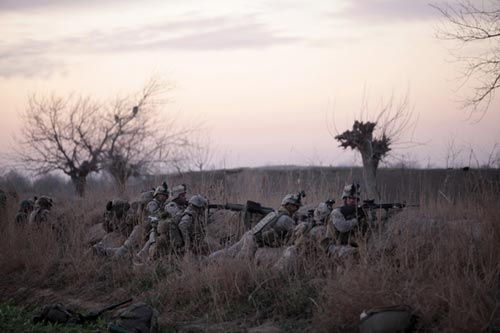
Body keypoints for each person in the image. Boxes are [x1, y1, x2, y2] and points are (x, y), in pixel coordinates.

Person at [323, 183, 368, 257]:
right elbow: (343, 227)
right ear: (345, 199)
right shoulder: (337, 212)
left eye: (355, 199)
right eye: (350, 198)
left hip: (350, 244)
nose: (353, 201)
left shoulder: (358, 212)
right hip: (333, 246)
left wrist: (367, 216)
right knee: (355, 253)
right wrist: (356, 220)